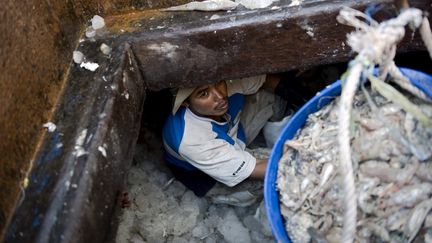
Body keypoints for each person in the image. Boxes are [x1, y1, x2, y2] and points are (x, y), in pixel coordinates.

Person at [162, 74, 290, 198]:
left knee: (273, 96)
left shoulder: (230, 83)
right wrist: (304, 163)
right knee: (270, 180)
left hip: (234, 134)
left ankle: (279, 141)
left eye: (218, 82)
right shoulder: (190, 140)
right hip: (204, 173)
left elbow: (267, 79)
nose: (220, 96)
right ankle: (236, 197)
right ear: (185, 102)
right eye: (204, 93)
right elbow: (257, 169)